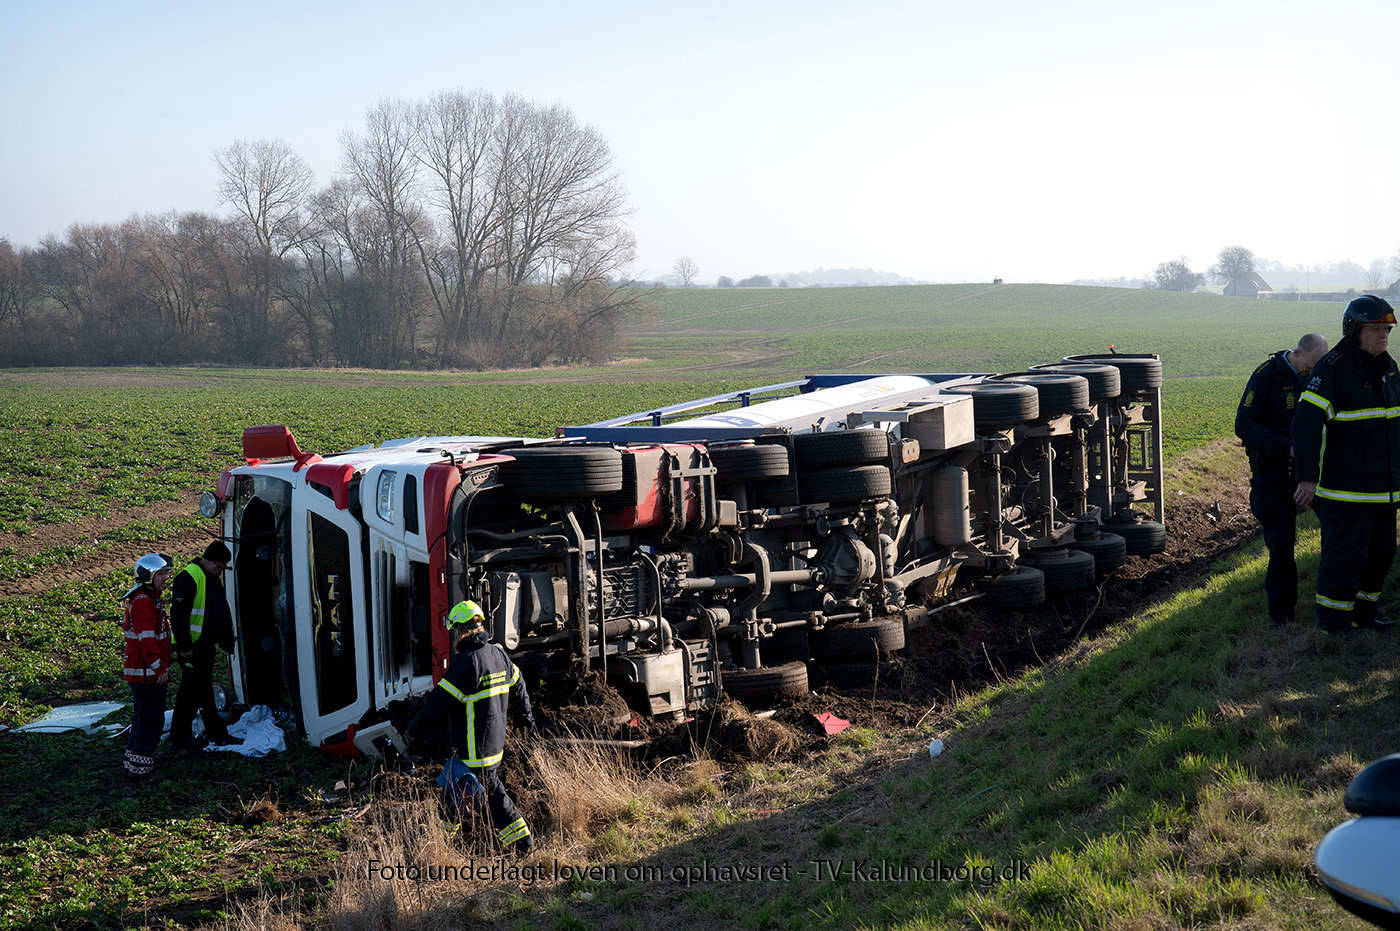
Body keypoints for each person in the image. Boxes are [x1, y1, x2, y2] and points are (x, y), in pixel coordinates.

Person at [1293, 295, 1400, 634]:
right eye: (1375, 329)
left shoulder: (1388, 368)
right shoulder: (1333, 368)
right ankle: (1333, 626)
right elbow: (1306, 426)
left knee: (1381, 556)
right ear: (1355, 330)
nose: (1383, 336)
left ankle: (1365, 615)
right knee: (1344, 559)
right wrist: (1308, 479)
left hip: (1385, 492)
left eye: (1386, 330)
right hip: (1347, 493)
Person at [408, 600, 537, 856]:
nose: (455, 635)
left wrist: (414, 727)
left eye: (455, 630)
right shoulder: (498, 653)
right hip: (495, 743)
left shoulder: (466, 662)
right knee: (455, 792)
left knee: (491, 795)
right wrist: (526, 719)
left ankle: (524, 845)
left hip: (474, 747)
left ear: (461, 630)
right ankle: (437, 844)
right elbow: (519, 684)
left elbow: (438, 703)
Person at [1235, 332, 1329, 624]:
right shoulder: (1266, 376)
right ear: (1297, 353)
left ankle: (1334, 602)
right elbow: (1244, 424)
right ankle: (1282, 616)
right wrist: (1285, 447)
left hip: (1313, 469)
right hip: (1274, 472)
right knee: (1281, 543)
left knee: (1339, 530)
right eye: (1310, 366)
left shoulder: (1317, 373)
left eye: (1318, 368)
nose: (1312, 374)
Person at [170, 541, 239, 749]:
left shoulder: (209, 576)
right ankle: (216, 735)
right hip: (193, 648)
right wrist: (184, 646)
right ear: (210, 561)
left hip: (203, 645)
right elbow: (178, 615)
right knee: (203, 693)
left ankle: (180, 737)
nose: (220, 572)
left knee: (190, 693)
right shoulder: (189, 577)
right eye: (219, 567)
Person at [121, 553, 173, 780]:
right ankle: (140, 770)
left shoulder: (148, 598)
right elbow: (147, 641)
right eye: (161, 574)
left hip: (146, 672)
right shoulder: (143, 603)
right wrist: (159, 670)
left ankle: (133, 763)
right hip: (146, 674)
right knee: (150, 719)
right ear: (149, 576)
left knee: (143, 717)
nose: (164, 578)